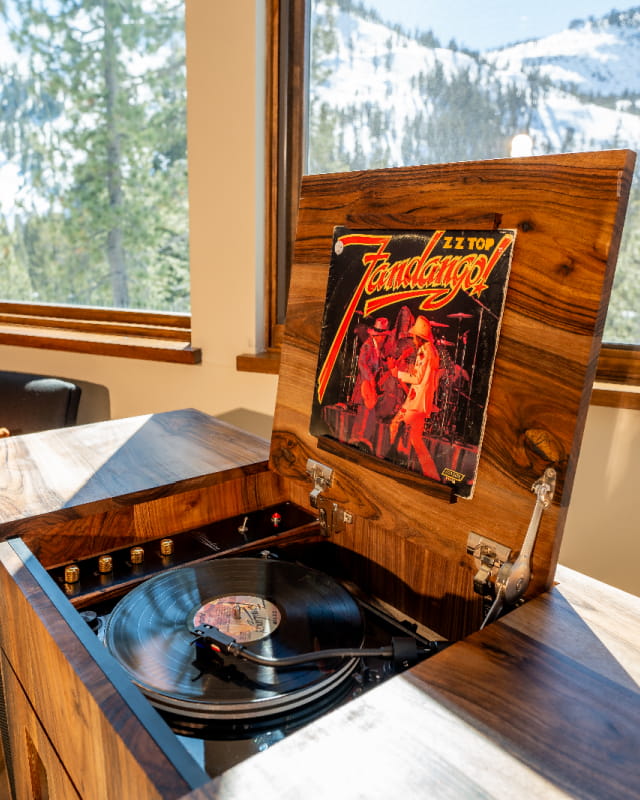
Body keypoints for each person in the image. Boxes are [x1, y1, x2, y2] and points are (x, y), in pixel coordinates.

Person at [388, 315, 441, 480]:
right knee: (415, 439)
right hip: (420, 402)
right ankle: (432, 474)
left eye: (413, 336)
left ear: (420, 337)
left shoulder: (425, 352)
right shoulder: (432, 351)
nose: (412, 339)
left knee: (395, 425)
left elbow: (417, 378)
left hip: (415, 403)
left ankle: (394, 463)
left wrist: (397, 373)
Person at [349, 317, 394, 451]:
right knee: (364, 410)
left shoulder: (377, 348)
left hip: (370, 384)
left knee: (369, 412)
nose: (384, 339)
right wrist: (370, 379)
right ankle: (356, 437)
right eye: (383, 336)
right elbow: (362, 363)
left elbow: (379, 365)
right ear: (378, 336)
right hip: (365, 383)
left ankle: (363, 438)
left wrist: (388, 365)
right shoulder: (368, 345)